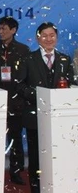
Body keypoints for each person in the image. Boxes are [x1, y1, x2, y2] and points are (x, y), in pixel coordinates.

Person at [16, 22, 75, 193]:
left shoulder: (65, 59)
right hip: (35, 116)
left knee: (59, 154)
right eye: (45, 36)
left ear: (56, 37)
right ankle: (36, 187)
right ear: (37, 37)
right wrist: (41, 96)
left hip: (60, 119)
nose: (49, 39)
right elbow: (19, 86)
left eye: (52, 36)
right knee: (36, 156)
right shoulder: (28, 59)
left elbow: (71, 83)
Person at [0, 16, 30, 185]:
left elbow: (25, 77)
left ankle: (16, 172)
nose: (1, 32)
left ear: (13, 30)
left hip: (16, 102)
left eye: (4, 28)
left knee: (15, 139)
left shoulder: (23, 50)